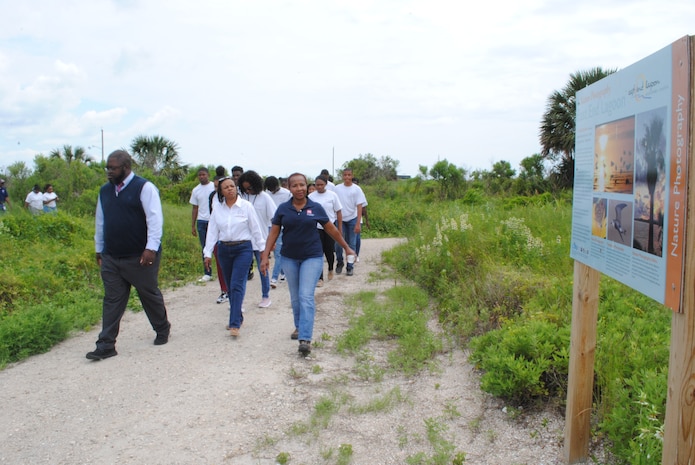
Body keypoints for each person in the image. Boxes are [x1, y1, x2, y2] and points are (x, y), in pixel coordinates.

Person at [86, 150, 171, 360]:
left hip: (139, 256)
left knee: (148, 294)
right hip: (112, 257)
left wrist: (151, 248)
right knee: (112, 300)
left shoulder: (144, 187)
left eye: (113, 168)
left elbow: (154, 220)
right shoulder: (105, 191)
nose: (109, 172)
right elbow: (100, 221)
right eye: (107, 167)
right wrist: (100, 249)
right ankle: (106, 344)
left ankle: (162, 328)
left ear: (126, 167)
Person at [260, 173, 355, 357]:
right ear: (289, 187)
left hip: (312, 257)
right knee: (295, 298)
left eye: (302, 185)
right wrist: (265, 256)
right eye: (294, 185)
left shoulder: (315, 207)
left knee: (306, 296)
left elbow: (331, 229)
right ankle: (299, 326)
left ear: (306, 186)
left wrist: (346, 247)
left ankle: (305, 338)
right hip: (289, 258)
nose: (299, 188)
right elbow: (273, 233)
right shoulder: (283, 209)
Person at [203, 177, 266, 337]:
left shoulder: (246, 207)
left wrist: (262, 250)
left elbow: (256, 229)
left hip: (243, 249)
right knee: (230, 286)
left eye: (232, 186)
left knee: (237, 284)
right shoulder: (218, 209)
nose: (230, 189)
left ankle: (234, 323)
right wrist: (207, 253)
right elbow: (212, 231)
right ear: (221, 192)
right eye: (226, 187)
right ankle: (238, 315)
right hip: (224, 249)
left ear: (236, 188)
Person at [238, 170, 276, 308]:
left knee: (263, 269)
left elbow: (274, 220)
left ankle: (266, 296)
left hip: (261, 241)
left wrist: (273, 241)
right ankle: (238, 301)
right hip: (244, 240)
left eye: (250, 188)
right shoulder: (241, 198)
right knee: (241, 272)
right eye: (245, 188)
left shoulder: (264, 198)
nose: (248, 191)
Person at [309, 175, 342, 286]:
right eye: (317, 185)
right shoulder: (311, 197)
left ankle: (331, 268)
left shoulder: (332, 195)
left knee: (329, 250)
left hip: (329, 226)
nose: (319, 187)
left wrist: (339, 228)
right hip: (316, 228)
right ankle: (320, 278)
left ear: (326, 184)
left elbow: (338, 212)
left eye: (321, 185)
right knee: (318, 252)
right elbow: (308, 212)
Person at [333, 168, 366, 276]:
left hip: (352, 218)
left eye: (349, 175)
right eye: (345, 175)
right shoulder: (337, 189)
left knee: (352, 243)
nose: (347, 177)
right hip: (340, 219)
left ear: (352, 176)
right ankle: (340, 262)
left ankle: (350, 266)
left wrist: (357, 223)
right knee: (338, 243)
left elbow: (359, 206)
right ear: (342, 176)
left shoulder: (357, 189)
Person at [190, 167, 216, 282]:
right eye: (199, 175)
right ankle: (207, 273)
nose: (201, 177)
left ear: (208, 175)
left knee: (218, 247)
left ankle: (223, 270)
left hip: (214, 220)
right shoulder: (196, 190)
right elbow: (195, 208)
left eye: (203, 174)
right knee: (205, 248)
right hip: (202, 221)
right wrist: (193, 225)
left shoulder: (213, 187)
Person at [264, 176, 291, 288]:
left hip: (280, 225)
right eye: (269, 189)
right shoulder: (265, 194)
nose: (271, 191)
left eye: (273, 189)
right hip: (268, 225)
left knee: (278, 253)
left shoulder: (286, 194)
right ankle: (283, 271)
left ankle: (274, 278)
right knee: (273, 251)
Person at [209, 173, 229, 304]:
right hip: (219, 239)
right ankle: (224, 290)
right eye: (216, 187)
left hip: (236, 241)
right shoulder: (213, 198)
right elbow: (212, 221)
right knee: (221, 266)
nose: (216, 189)